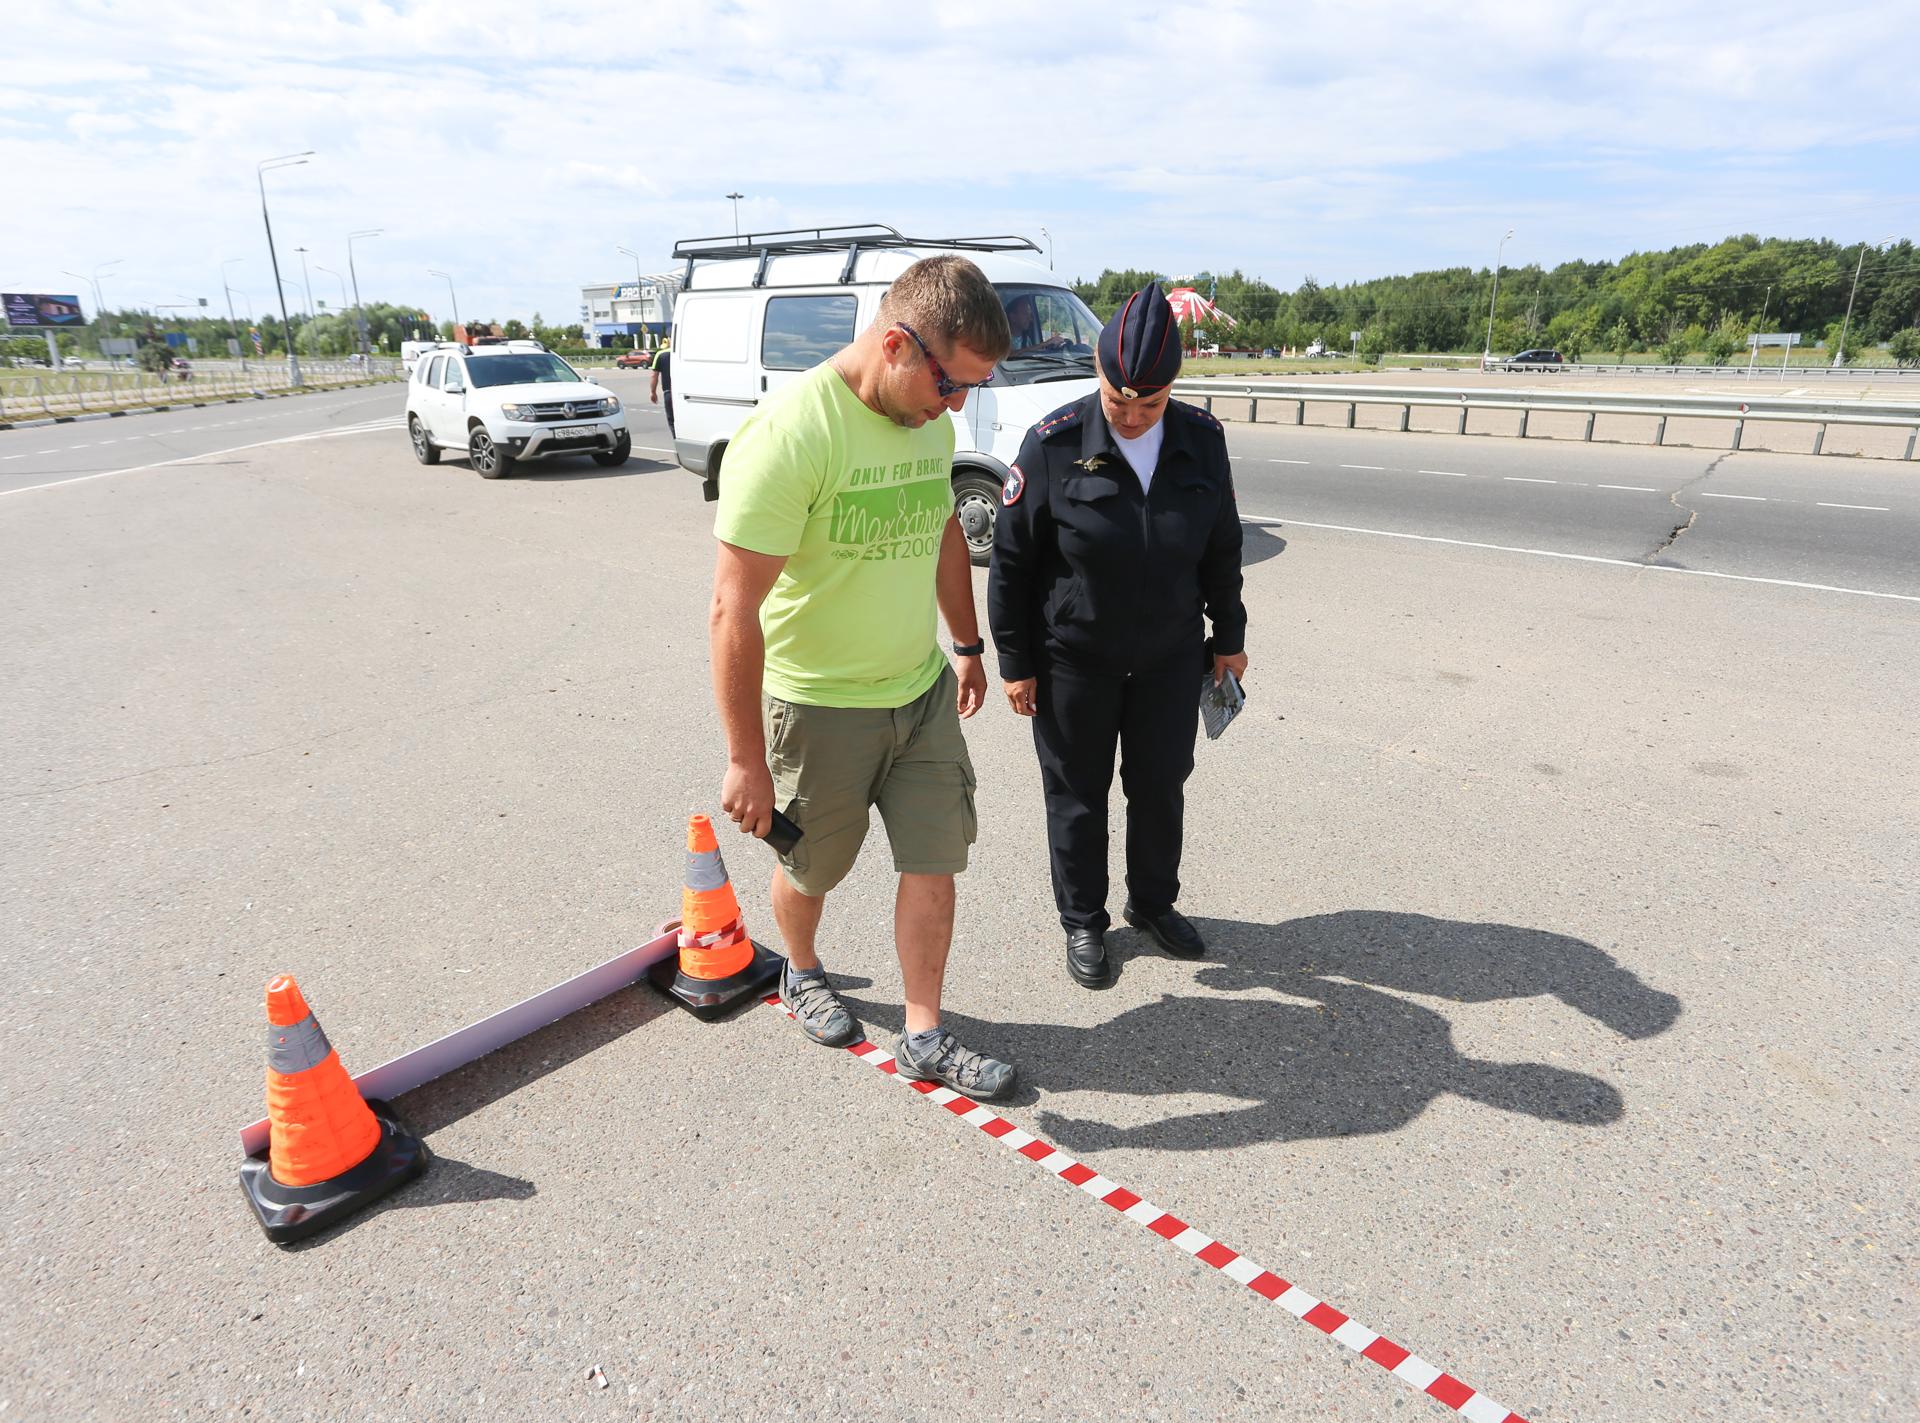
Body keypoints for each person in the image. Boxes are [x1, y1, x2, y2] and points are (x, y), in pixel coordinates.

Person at [709, 255, 1018, 1099]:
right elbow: (734, 611)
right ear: (895, 343)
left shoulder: (935, 427)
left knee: (935, 859)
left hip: (917, 693)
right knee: (813, 867)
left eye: (969, 392)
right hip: (818, 706)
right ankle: (802, 969)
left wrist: (967, 643)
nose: (954, 407)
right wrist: (745, 757)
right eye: (949, 385)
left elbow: (945, 533)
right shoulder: (791, 434)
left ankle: (925, 1031)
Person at [987, 282, 1247, 989]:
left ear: (1173, 390)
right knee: (1077, 793)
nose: (1131, 417)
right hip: (1075, 659)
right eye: (1118, 400)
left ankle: (1153, 902)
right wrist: (1014, 660)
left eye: (1149, 405)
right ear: (1098, 376)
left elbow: (1222, 547)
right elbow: (1011, 560)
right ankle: (1084, 920)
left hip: (1167, 656)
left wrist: (1229, 635)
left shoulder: (1202, 442)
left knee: (1161, 786)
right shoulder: (1053, 443)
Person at [648, 338, 674, 434]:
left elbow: (654, 375)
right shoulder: (685, 352)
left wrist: (653, 392)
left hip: (669, 392)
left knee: (672, 421)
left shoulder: (661, 354)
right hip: (685, 393)